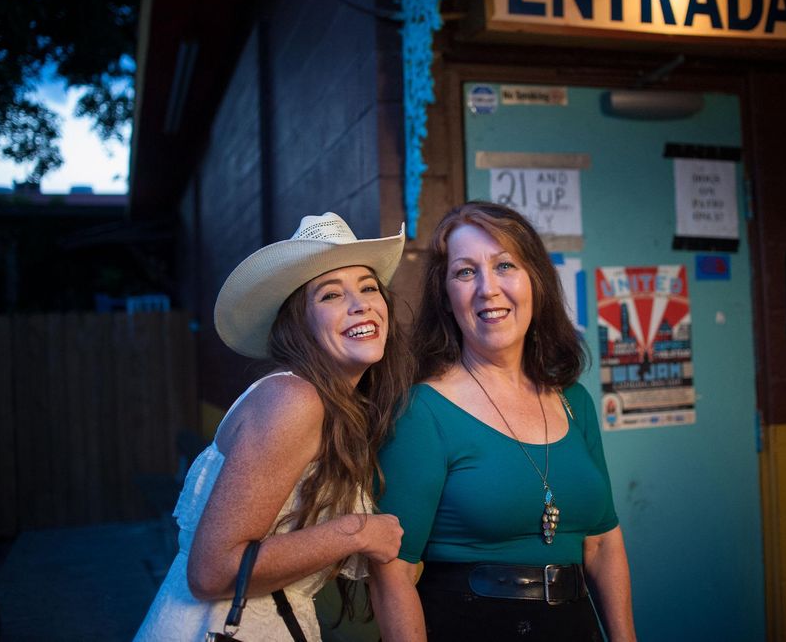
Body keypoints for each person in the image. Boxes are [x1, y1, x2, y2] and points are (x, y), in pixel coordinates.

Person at [135, 212, 411, 641]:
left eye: (368, 287)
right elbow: (211, 571)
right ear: (298, 323)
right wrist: (357, 532)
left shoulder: (332, 405)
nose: (361, 304)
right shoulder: (293, 400)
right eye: (330, 295)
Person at [369, 201, 636, 641]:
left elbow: (603, 543)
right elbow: (390, 575)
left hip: (575, 627)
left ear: (535, 281)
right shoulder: (422, 410)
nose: (487, 289)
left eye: (505, 265)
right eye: (465, 272)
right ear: (446, 297)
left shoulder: (576, 402)